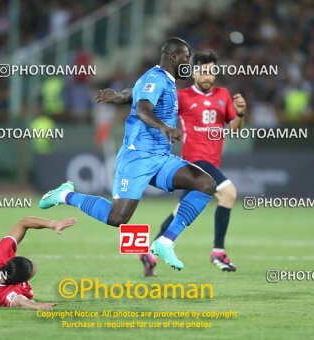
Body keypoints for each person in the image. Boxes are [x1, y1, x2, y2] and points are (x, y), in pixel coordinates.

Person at [39, 37, 217, 271]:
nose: (189, 63)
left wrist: (117, 97)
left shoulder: (162, 80)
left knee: (205, 183)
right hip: (138, 157)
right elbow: (143, 108)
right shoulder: (156, 77)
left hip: (161, 158)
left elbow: (134, 94)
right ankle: (65, 195)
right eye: (186, 57)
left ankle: (165, 241)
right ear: (173, 57)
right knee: (117, 218)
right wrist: (163, 126)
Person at [95, 51, 247, 276]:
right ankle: (218, 250)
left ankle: (150, 252)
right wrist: (118, 97)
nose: (208, 76)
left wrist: (241, 114)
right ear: (194, 72)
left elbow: (234, 130)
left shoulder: (223, 95)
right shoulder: (182, 96)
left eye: (212, 71)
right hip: (194, 158)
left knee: (181, 211)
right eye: (203, 71)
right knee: (229, 193)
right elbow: (141, 98)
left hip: (212, 159)